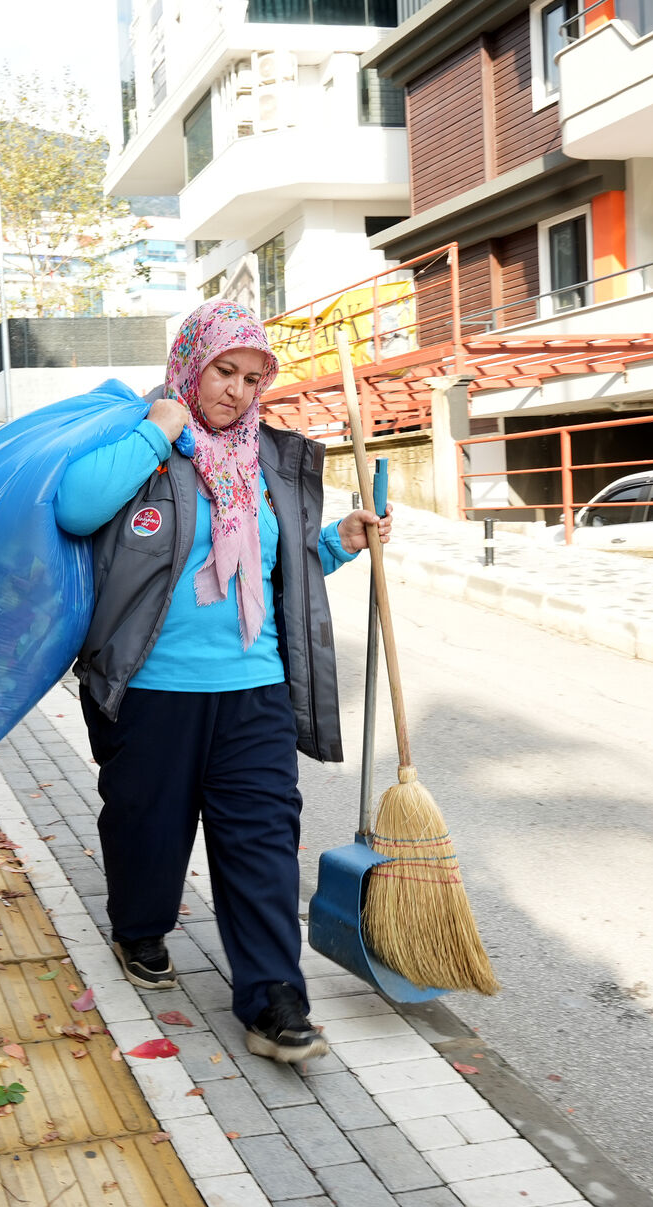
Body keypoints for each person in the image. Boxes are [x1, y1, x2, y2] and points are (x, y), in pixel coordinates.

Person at [56, 299, 391, 1065]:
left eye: (252, 377)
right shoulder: (143, 440)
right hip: (150, 687)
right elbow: (77, 511)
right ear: (189, 364)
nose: (237, 392)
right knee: (147, 827)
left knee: (262, 843)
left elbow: (279, 566)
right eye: (223, 371)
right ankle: (138, 927)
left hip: (254, 688)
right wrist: (159, 427)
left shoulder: (270, 459)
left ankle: (273, 996)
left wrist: (338, 543)